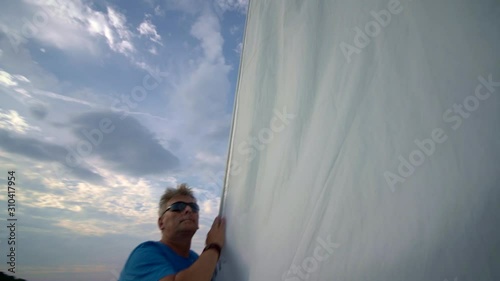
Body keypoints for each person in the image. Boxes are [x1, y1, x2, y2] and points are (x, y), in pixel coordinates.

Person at [118, 183, 226, 281]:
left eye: (194, 207)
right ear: (161, 223)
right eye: (178, 207)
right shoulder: (145, 253)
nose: (188, 210)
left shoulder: (195, 259)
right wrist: (213, 245)